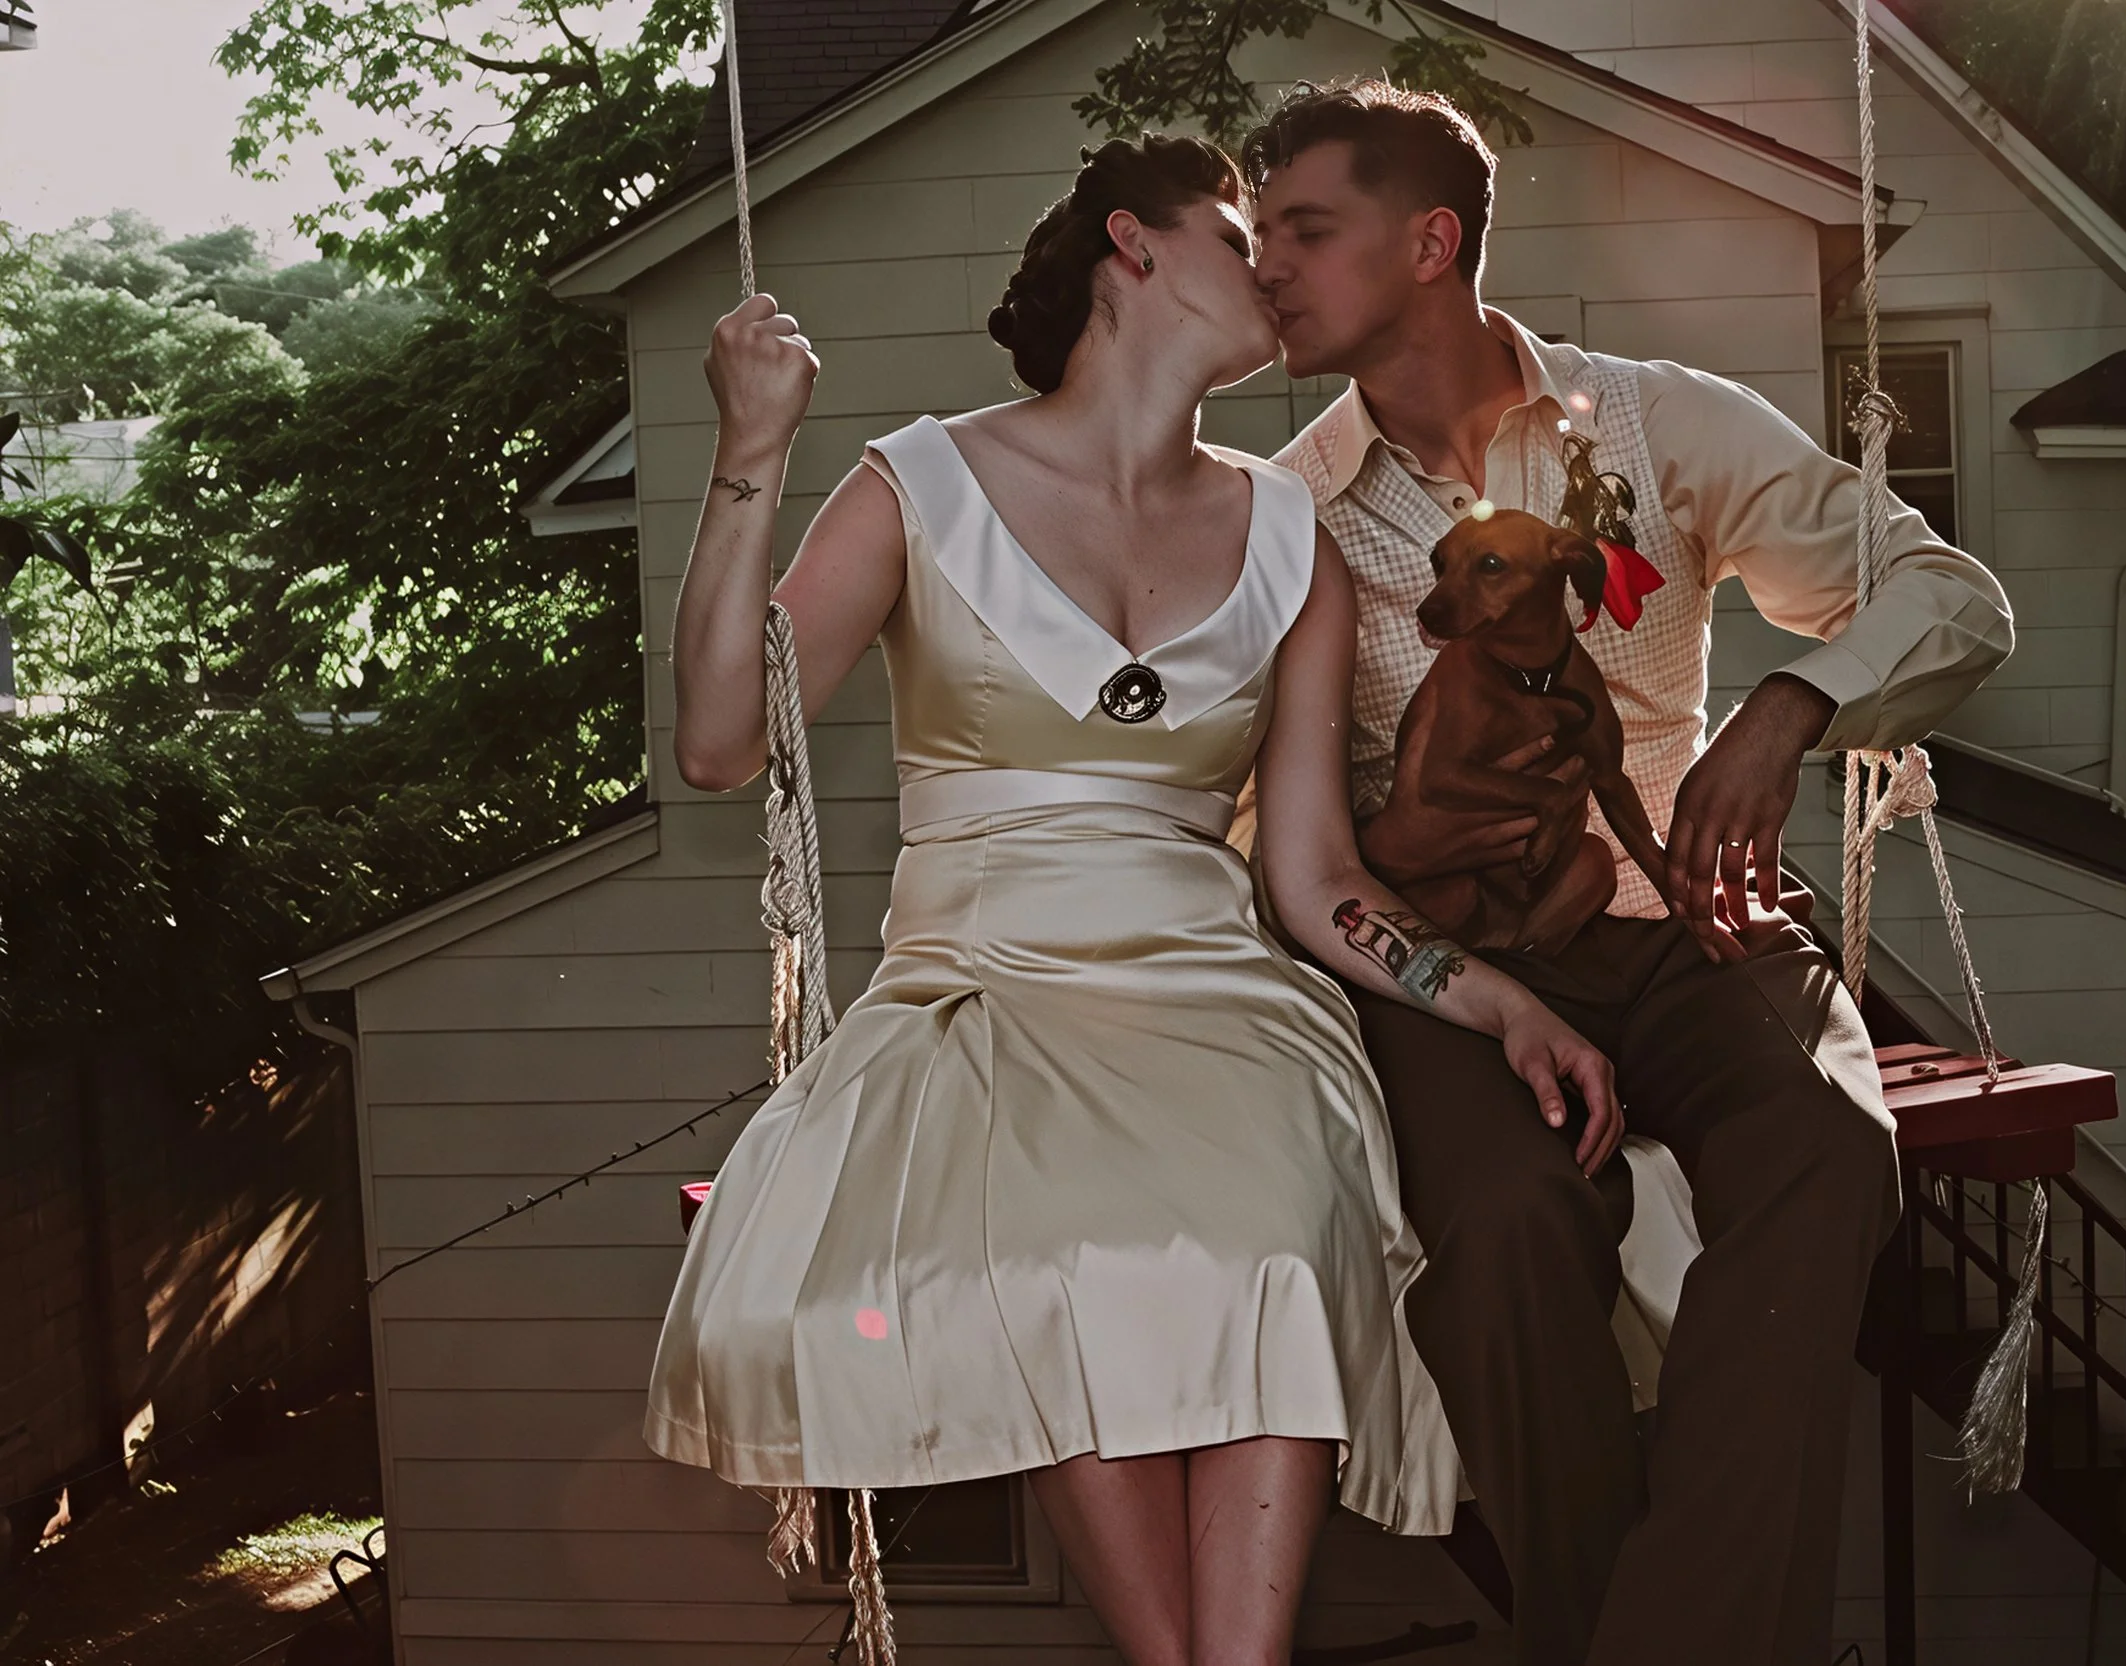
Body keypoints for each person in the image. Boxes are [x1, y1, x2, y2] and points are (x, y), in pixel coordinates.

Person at [641, 134, 1633, 1666]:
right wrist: (753, 450)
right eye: (1246, 235)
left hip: (1218, 999)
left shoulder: (1285, 533)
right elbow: (716, 743)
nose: (1281, 269)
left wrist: (1503, 1003)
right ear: (1136, 245)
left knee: (1277, 1242)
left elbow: (1312, 878)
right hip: (985, 988)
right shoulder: (919, 483)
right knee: (1068, 1249)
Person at [1235, 82, 2018, 1665]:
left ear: (1431, 241)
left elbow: (1956, 597)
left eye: (1306, 231)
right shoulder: (1285, 514)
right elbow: (1277, 839)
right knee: (1511, 1232)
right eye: (1260, 237)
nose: (1269, 267)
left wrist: (1792, 705)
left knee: (1827, 1148)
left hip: (1691, 925)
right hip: (1464, 978)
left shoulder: (1663, 424)